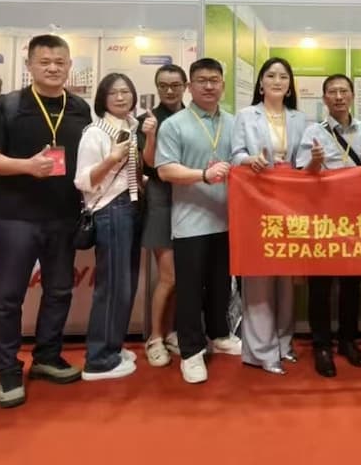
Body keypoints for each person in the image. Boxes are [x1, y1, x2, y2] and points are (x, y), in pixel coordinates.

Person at [0, 34, 92, 408]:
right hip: (16, 218)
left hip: (63, 216)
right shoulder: (6, 106)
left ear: (69, 65)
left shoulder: (80, 108)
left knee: (59, 291)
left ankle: (47, 356)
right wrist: (26, 166)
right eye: (44, 62)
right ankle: (7, 370)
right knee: (8, 297)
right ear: (29, 65)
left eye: (60, 62)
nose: (53, 68)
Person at [155, 58, 242, 384]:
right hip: (190, 222)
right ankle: (191, 352)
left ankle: (219, 335)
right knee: (190, 289)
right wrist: (204, 175)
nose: (208, 86)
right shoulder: (174, 124)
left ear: (223, 85)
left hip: (227, 220)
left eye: (214, 80)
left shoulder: (234, 123)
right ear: (190, 86)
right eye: (202, 80)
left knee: (221, 284)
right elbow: (165, 170)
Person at [231, 57, 309, 375]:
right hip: (256, 200)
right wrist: (250, 159)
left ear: (290, 86)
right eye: (271, 76)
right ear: (261, 83)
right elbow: (235, 155)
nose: (277, 81)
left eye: (283, 77)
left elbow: (304, 159)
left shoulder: (300, 118)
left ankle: (284, 343)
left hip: (290, 202)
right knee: (260, 274)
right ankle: (261, 351)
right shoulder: (246, 115)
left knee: (286, 275)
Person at [295, 74, 361, 378]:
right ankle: (322, 345)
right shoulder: (313, 131)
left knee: (352, 284)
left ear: (352, 95)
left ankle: (348, 340)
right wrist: (315, 161)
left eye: (343, 91)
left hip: (357, 218)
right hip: (322, 217)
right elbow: (303, 174)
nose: (338, 97)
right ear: (324, 98)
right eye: (332, 92)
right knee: (320, 285)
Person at [74, 73, 143, 381]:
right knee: (112, 286)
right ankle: (99, 359)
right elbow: (83, 181)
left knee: (126, 284)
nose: (120, 97)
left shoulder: (131, 127)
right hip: (110, 210)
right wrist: (112, 158)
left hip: (131, 206)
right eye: (113, 93)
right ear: (102, 98)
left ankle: (113, 346)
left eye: (125, 91)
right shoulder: (96, 133)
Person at [138, 64, 187, 366]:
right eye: (163, 85)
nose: (169, 90)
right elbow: (149, 163)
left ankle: (171, 333)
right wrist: (151, 135)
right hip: (161, 200)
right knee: (169, 276)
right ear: (157, 87)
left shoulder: (193, 117)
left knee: (184, 276)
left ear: (185, 86)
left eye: (175, 85)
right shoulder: (148, 120)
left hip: (191, 200)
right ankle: (155, 337)